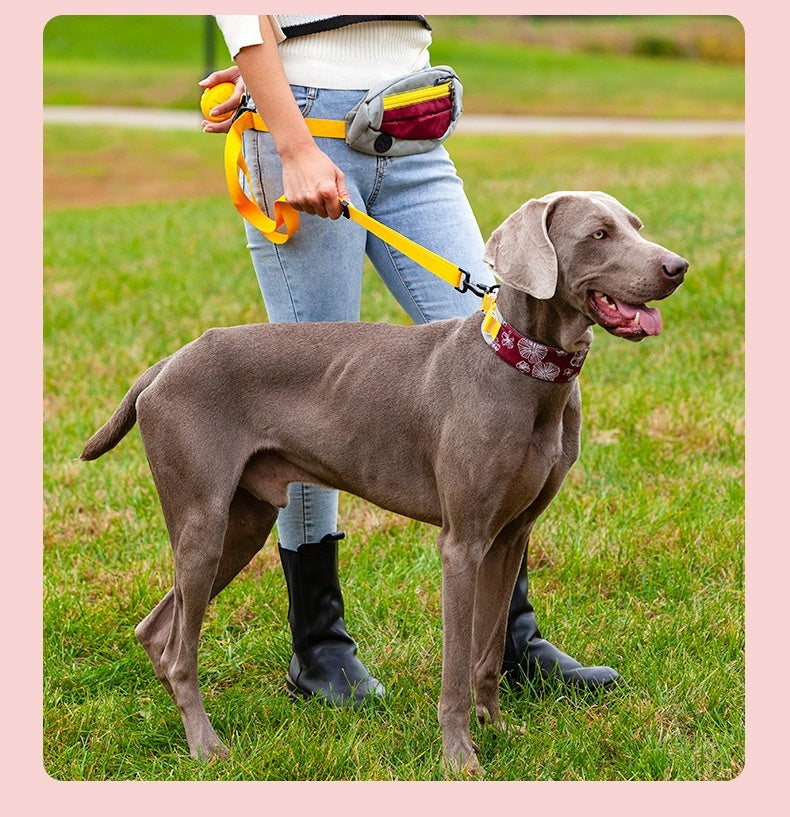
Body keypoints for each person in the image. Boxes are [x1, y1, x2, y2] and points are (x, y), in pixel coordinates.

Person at [201, 14, 619, 706]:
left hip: (410, 120)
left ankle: (507, 639)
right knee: (309, 405)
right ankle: (319, 646)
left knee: (499, 351)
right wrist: (288, 130)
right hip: (308, 124)